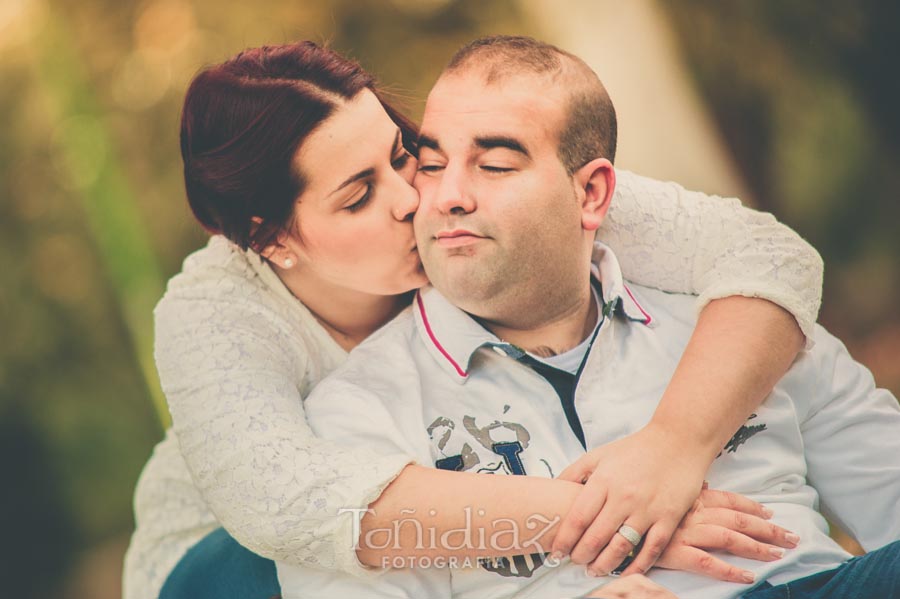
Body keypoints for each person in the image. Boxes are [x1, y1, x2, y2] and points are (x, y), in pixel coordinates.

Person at [122, 40, 824, 599]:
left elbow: (766, 255)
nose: (414, 199)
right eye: (360, 195)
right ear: (271, 239)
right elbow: (289, 505)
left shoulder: (465, 190)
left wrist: (673, 448)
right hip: (231, 565)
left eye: (404, 156)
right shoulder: (209, 313)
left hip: (495, 520)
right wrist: (616, 517)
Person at [285, 35, 900, 599]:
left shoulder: (736, 325)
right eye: (433, 162)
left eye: (495, 164)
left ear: (592, 194)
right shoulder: (360, 409)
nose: (448, 196)